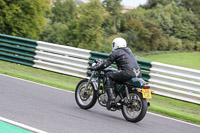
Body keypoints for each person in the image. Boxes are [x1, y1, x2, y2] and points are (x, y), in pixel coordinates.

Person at [90, 37, 141, 110]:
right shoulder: (129, 51)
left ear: (115, 44)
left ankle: (111, 98)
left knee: (108, 75)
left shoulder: (116, 52)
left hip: (127, 72)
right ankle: (119, 97)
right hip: (138, 72)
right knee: (117, 76)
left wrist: (95, 68)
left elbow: (106, 64)